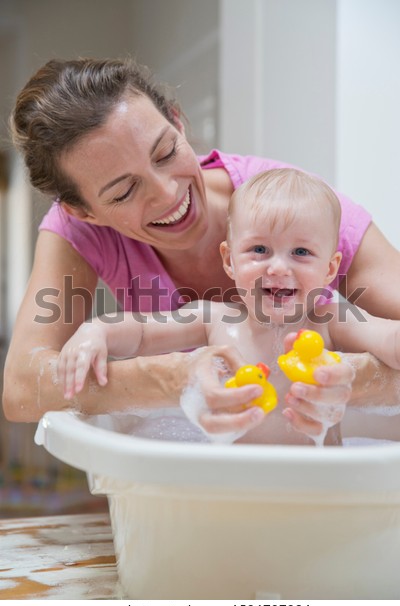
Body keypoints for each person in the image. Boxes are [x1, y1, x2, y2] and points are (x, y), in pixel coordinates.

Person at [3, 58, 400, 441]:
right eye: (124, 191)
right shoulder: (214, 317)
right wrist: (174, 375)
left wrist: (349, 378)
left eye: (165, 153)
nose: (167, 193)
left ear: (178, 121)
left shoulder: (302, 214)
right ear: (82, 212)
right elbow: (24, 389)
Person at [56, 168, 400, 445]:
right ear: (229, 260)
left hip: (319, 486)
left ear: (329, 269)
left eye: (301, 253)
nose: (278, 267)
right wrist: (96, 330)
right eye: (259, 250)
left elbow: (388, 337)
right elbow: (142, 332)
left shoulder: (330, 318)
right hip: (233, 482)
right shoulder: (215, 319)